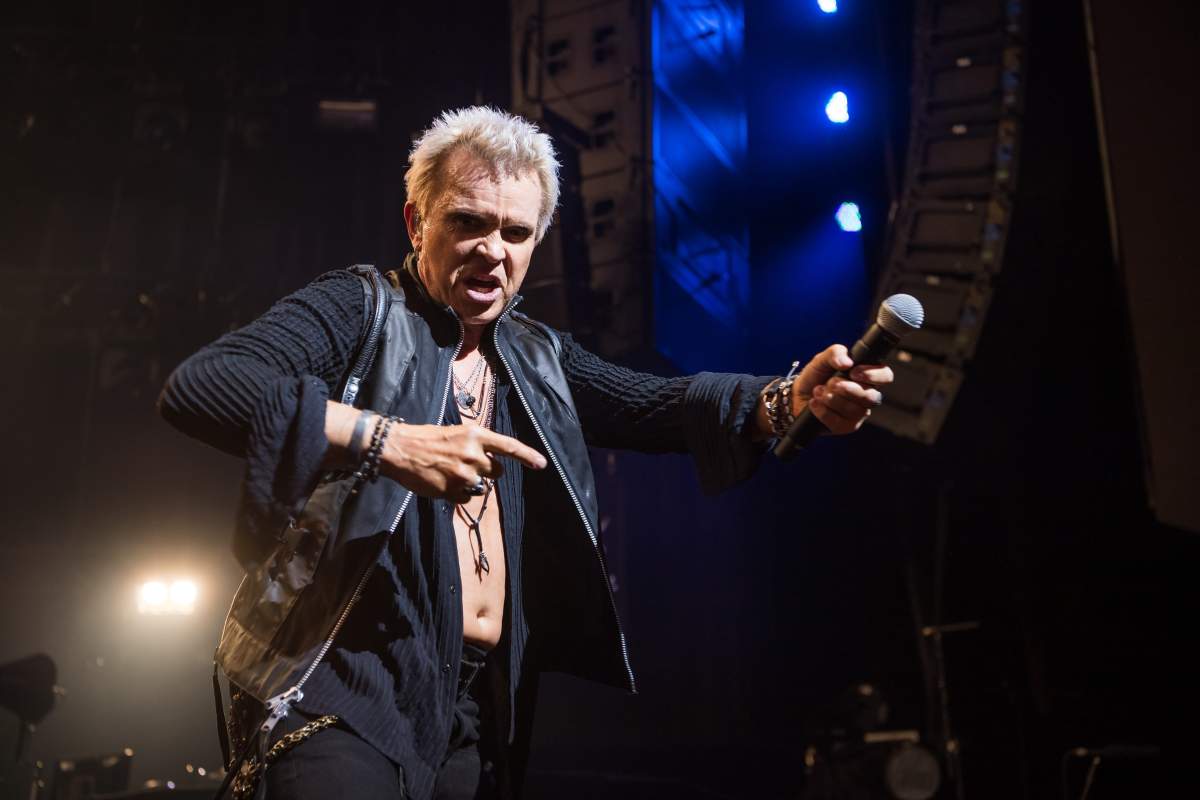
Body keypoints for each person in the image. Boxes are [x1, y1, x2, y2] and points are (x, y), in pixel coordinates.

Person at [158, 106, 892, 800]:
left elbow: (654, 405)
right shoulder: (359, 307)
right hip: (340, 684)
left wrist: (786, 399)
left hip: (474, 707)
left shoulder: (536, 357)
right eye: (468, 223)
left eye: (515, 233)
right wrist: (383, 439)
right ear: (418, 222)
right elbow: (205, 384)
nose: (492, 250)